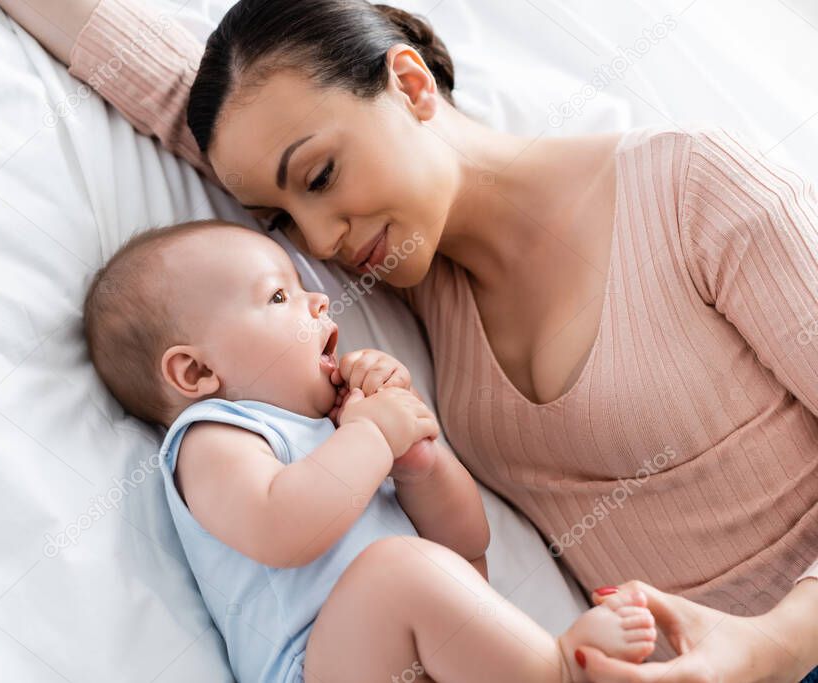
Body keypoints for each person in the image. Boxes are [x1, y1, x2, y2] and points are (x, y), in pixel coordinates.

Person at [0, 0, 818, 680]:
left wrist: (771, 644)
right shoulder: (415, 288)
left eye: (318, 177)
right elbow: (184, 100)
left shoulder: (695, 189)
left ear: (412, 85)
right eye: (282, 219)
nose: (316, 241)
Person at [81, 218, 659, 682]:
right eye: (280, 295)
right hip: (319, 666)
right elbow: (282, 527)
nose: (317, 303)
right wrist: (375, 436)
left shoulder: (340, 427)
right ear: (197, 370)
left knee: (439, 573)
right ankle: (562, 672)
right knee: (399, 571)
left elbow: (465, 548)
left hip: (416, 655)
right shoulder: (215, 435)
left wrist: (417, 460)